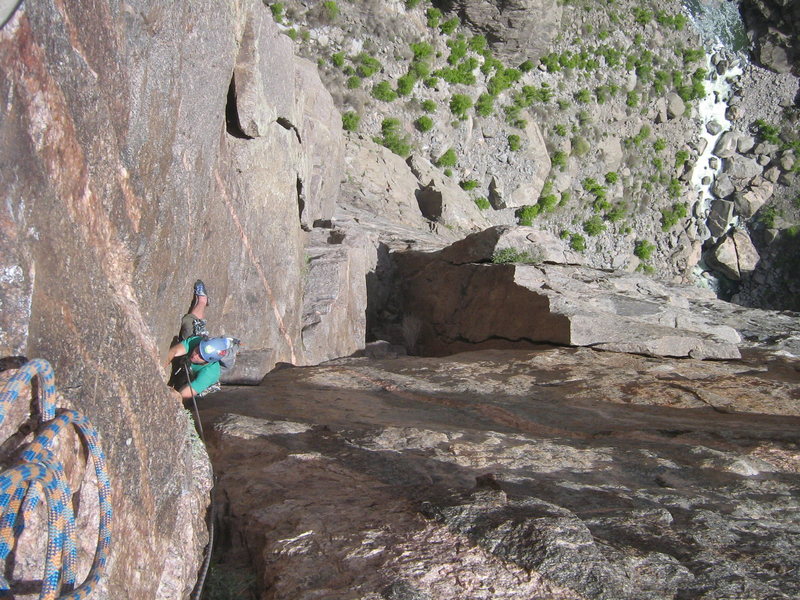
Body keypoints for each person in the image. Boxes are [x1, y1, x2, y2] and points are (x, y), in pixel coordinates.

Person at [164, 280, 235, 402]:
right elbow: (173, 351)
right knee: (189, 321)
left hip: (194, 379)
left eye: (200, 356)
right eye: (197, 350)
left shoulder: (209, 374)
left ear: (207, 361)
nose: (195, 355)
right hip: (197, 346)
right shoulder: (197, 341)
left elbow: (185, 393)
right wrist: (160, 367)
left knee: (184, 390)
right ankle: (203, 301)